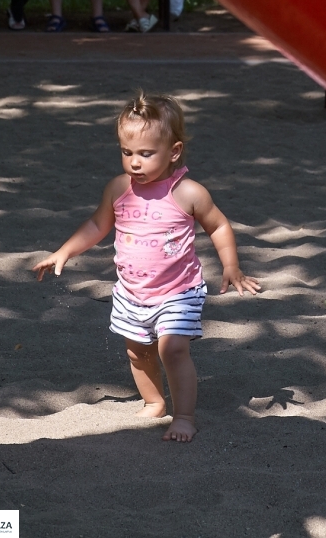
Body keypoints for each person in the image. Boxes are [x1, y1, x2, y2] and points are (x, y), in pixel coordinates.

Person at [33, 93, 260, 442]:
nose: (134, 162)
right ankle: (154, 402)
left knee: (173, 349)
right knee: (137, 351)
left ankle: (184, 416)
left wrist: (231, 266)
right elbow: (97, 224)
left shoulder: (188, 193)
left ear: (174, 151)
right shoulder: (119, 189)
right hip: (131, 292)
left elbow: (218, 226)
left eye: (145, 153)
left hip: (178, 291)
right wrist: (64, 251)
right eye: (127, 152)